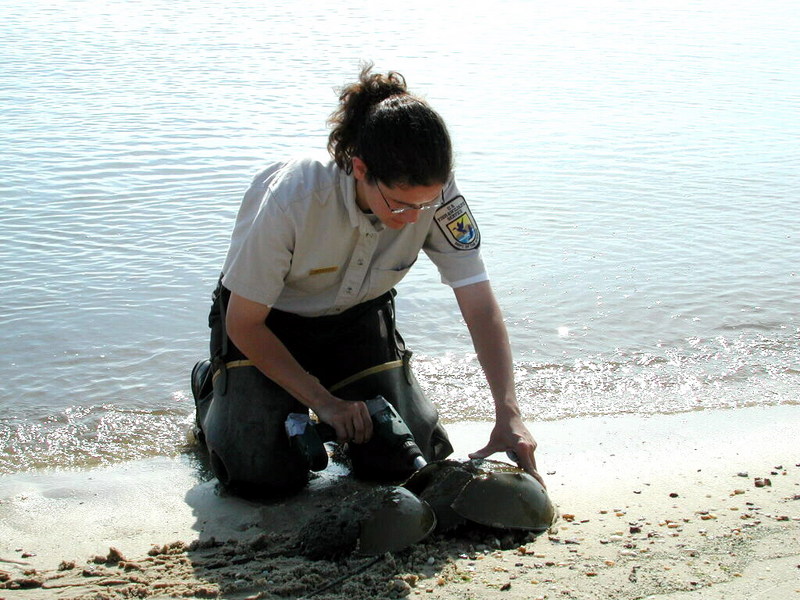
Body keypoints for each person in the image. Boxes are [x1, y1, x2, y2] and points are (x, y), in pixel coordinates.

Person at [191, 64, 543, 496]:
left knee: (411, 459)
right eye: (399, 206)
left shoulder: (436, 195)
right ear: (360, 169)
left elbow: (480, 307)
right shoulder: (293, 198)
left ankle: (336, 408)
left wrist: (508, 413)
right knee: (260, 476)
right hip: (267, 325)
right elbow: (244, 323)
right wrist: (324, 403)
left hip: (357, 321)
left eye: (426, 204)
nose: (415, 218)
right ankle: (212, 389)